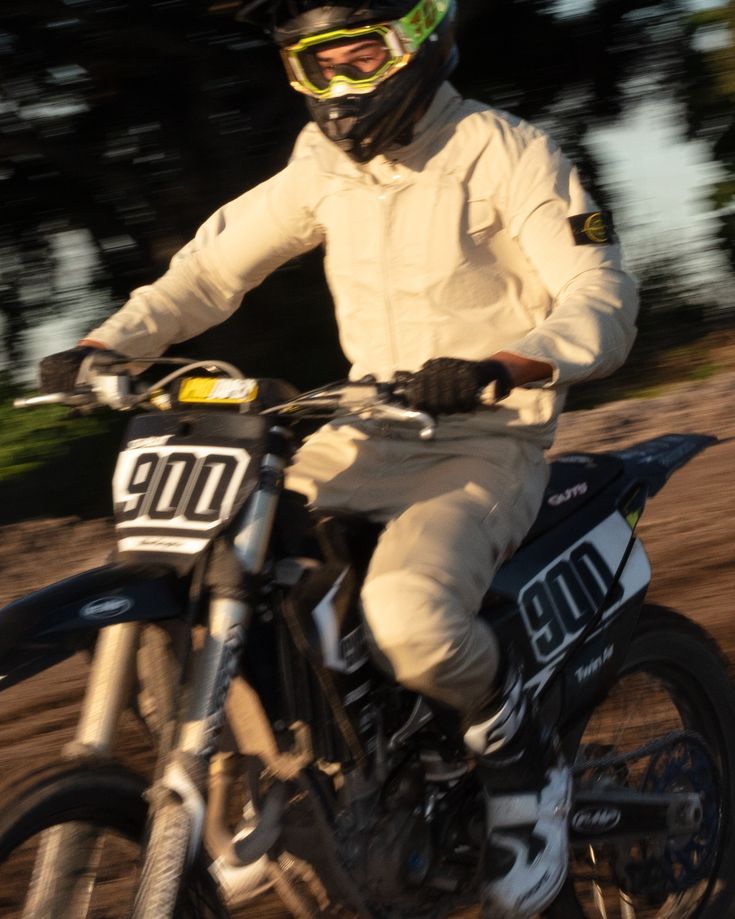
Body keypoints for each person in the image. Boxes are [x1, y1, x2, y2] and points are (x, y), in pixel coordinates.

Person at [38, 1, 639, 915]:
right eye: (319, 67)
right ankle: (283, 775)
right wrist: (106, 346)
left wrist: (499, 363)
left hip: (483, 437)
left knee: (407, 616)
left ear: (422, 36)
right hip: (359, 430)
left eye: (362, 57)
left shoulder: (506, 150)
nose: (342, 85)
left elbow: (599, 293)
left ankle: (522, 759)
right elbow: (210, 269)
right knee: (210, 569)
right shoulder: (321, 165)